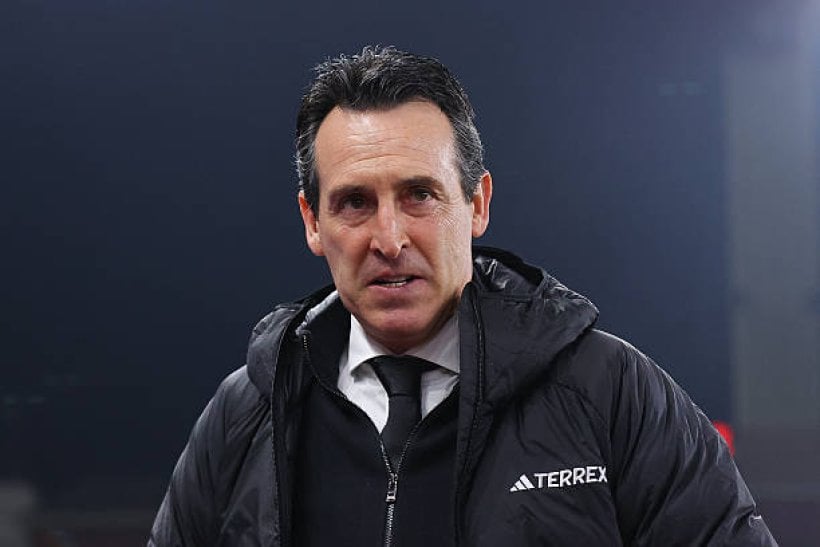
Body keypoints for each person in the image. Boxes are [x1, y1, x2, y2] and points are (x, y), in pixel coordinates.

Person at [148, 46, 777, 546]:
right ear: (313, 222)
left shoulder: (609, 391)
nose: (389, 239)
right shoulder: (247, 412)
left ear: (476, 204)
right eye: (355, 202)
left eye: (419, 195)